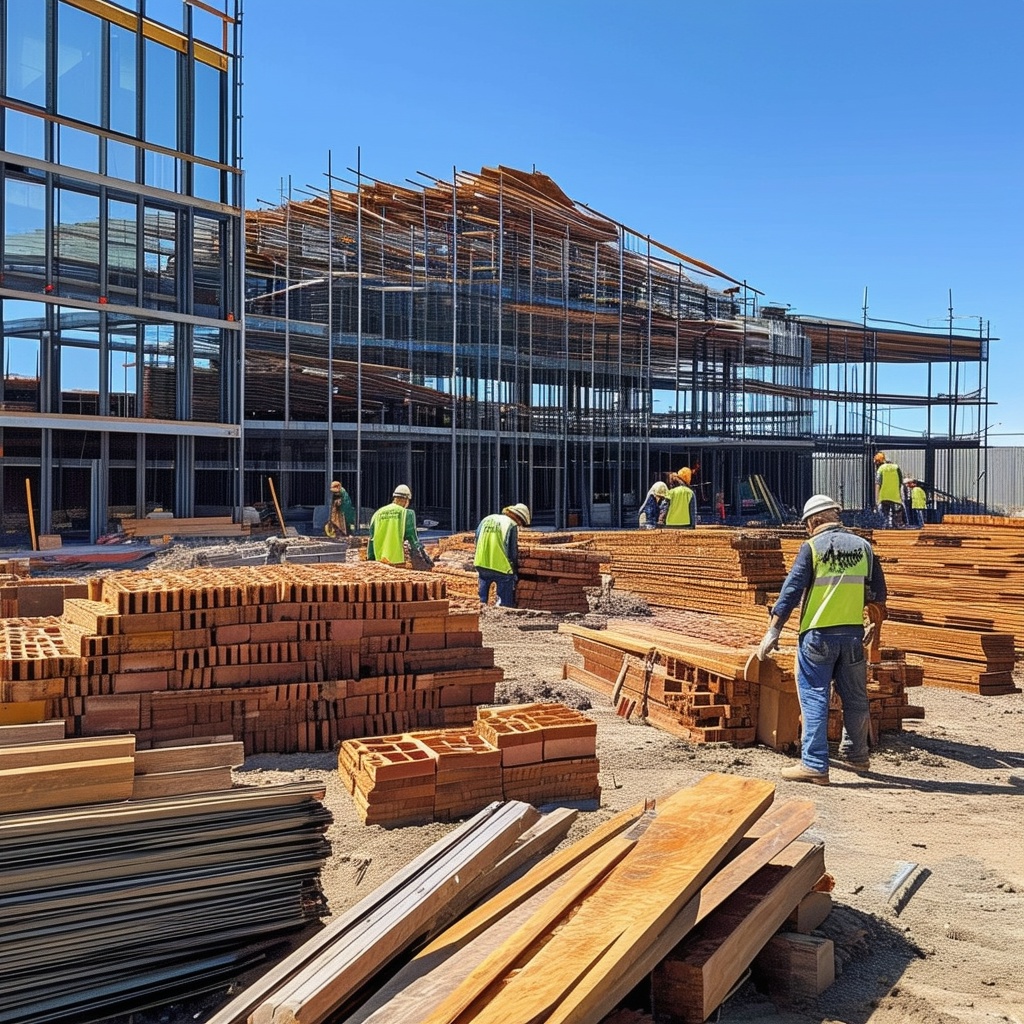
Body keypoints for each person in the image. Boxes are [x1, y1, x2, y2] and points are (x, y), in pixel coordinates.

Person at [756, 493, 888, 785]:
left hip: (818, 636)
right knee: (855, 697)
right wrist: (873, 627)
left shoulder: (812, 547)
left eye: (807, 525)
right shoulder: (864, 547)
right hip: (853, 636)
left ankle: (815, 765)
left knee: (814, 695)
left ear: (814, 521)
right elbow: (878, 595)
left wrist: (773, 630)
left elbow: (791, 591)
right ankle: (857, 754)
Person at [474, 503, 531, 607]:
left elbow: (476, 540)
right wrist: (515, 568)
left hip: (481, 563)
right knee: (504, 602)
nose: (519, 525)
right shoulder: (511, 524)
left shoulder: (486, 519)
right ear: (519, 518)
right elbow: (512, 550)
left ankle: (480, 615)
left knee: (482, 599)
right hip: (501, 566)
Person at [367, 484, 429, 565]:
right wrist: (423, 556)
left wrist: (370, 560)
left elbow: (372, 539)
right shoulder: (406, 513)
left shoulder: (377, 513)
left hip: (380, 560)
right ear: (406, 500)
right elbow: (412, 538)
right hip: (397, 560)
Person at [874, 452, 904, 529]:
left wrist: (877, 499)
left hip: (884, 496)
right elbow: (901, 481)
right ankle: (896, 528)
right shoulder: (896, 467)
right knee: (897, 516)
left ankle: (885, 528)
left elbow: (877, 483)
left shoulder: (881, 469)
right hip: (895, 496)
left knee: (885, 516)